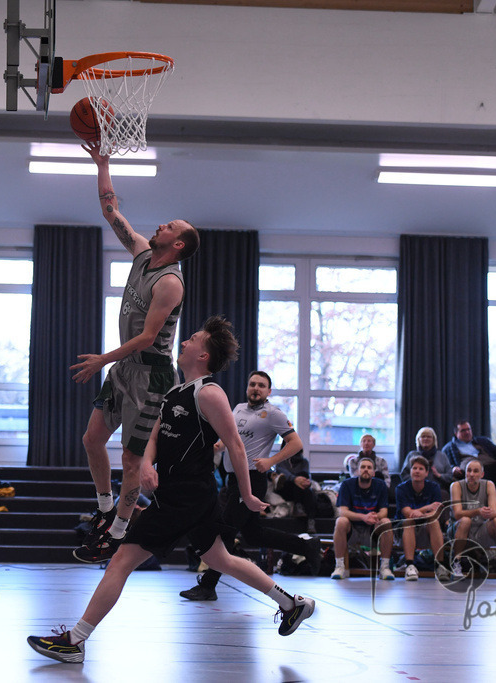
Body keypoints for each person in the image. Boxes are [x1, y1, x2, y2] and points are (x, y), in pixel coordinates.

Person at [27, 316, 314, 664]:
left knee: (121, 560)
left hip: (188, 495)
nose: (184, 342)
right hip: (180, 492)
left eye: (192, 339)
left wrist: (248, 494)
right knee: (219, 559)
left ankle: (75, 640)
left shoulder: (210, 393)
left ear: (204, 355)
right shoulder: (176, 390)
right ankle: (291, 603)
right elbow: (154, 436)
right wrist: (147, 464)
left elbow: (236, 446)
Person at [71, 142, 200, 563]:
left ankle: (119, 532)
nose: (161, 225)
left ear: (178, 244)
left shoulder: (170, 283)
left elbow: (147, 338)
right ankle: (106, 511)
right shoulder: (142, 253)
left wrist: (101, 359)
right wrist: (103, 164)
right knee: (92, 439)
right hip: (124, 370)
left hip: (151, 376)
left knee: (130, 457)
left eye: (170, 226)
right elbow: (112, 212)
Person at [179, 370, 320, 602]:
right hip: (233, 479)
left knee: (224, 532)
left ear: (268, 391)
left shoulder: (273, 414)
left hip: (252, 480)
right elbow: (232, 437)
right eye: (252, 384)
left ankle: (208, 585)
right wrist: (218, 446)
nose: (256, 388)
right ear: (247, 387)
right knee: (254, 535)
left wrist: (271, 461)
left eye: (261, 386)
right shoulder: (238, 409)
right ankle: (307, 547)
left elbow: (296, 443)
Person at [449, 458, 496, 582]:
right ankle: (456, 564)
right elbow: (458, 514)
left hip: (480, 529)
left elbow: (495, 512)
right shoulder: (456, 486)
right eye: (469, 471)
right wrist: (478, 511)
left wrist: (487, 513)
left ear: (482, 474)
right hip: (459, 530)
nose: (471, 474)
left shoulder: (489, 485)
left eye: (475, 471)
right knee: (465, 520)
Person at [331, 456, 394, 581]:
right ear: (357, 471)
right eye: (363, 467)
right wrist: (363, 517)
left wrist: (374, 516)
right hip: (352, 529)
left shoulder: (380, 485)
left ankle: (385, 568)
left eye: (369, 467)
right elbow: (342, 511)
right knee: (340, 521)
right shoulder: (347, 484)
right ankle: (339, 566)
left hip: (372, 529)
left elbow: (384, 511)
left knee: (386, 522)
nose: (366, 470)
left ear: (373, 472)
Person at [394, 455, 444, 581]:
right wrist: (426, 508)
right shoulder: (401, 488)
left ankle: (440, 566)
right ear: (410, 471)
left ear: (427, 473)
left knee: (434, 521)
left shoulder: (434, 488)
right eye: (414, 468)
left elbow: (436, 513)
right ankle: (410, 566)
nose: (417, 471)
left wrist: (420, 513)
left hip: (426, 527)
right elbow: (407, 513)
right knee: (409, 521)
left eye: (421, 469)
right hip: (403, 530)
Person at [442, 420, 496, 491]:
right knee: (478, 470)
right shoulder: (449, 448)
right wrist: (453, 468)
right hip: (473, 472)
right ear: (456, 433)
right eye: (463, 430)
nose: (467, 432)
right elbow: (446, 465)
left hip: (493, 467)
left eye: (468, 429)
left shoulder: (482, 441)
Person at [274, 449, 320, 533]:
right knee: (297, 483)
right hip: (286, 488)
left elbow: (305, 475)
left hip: (302, 489)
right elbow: (284, 474)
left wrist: (302, 480)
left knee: (309, 491)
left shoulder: (304, 462)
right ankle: (302, 510)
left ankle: (310, 519)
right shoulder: (280, 461)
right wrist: (295, 479)